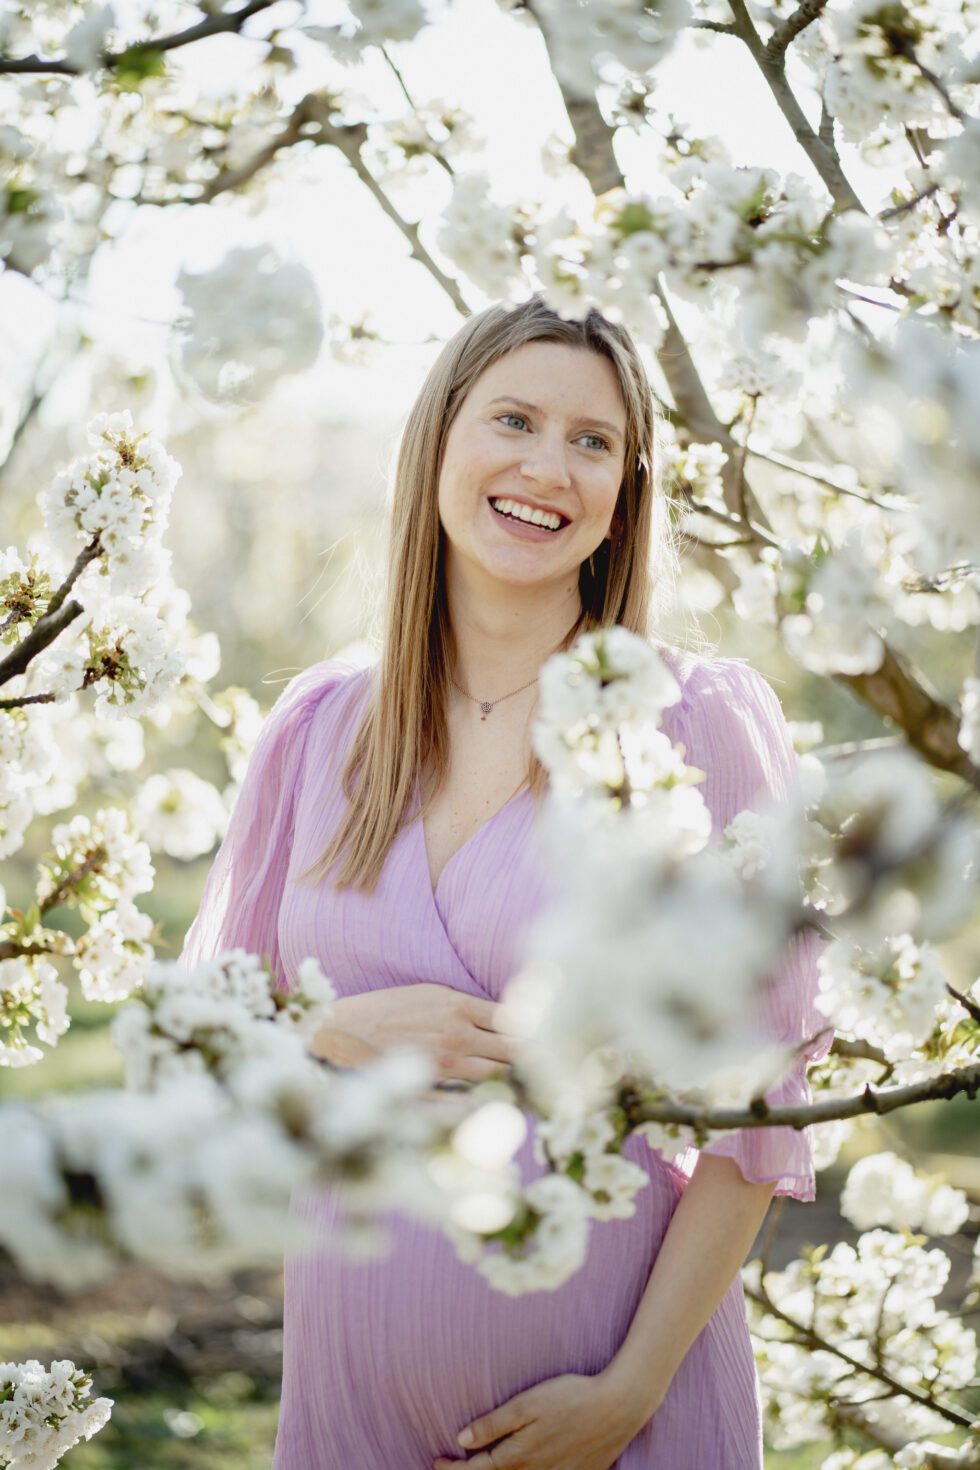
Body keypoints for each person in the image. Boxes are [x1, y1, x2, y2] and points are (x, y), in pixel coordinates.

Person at [179, 293, 831, 1469]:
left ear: (626, 489)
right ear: (439, 436)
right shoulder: (320, 727)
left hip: (617, 1419)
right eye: (514, 419)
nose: (547, 466)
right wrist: (326, 1028)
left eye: (593, 441)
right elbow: (212, 1037)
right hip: (347, 1404)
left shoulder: (694, 725)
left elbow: (756, 1103)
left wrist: (625, 1396)